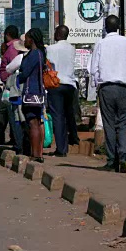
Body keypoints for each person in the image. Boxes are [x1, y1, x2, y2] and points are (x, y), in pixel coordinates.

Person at [89, 15, 126, 173]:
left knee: (109, 125)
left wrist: (95, 86)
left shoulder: (101, 43)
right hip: (125, 88)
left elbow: (93, 69)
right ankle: (124, 157)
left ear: (105, 27)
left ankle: (112, 160)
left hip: (107, 87)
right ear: (119, 26)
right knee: (122, 124)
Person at [46, 25, 78, 157]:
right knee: (67, 115)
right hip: (70, 85)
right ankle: (69, 142)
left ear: (58, 34)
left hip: (56, 84)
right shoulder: (72, 49)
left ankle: (61, 148)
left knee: (58, 117)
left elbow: (48, 65)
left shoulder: (51, 49)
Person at [18, 28, 46, 163]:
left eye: (27, 38)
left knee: (33, 123)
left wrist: (18, 76)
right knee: (37, 122)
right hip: (39, 92)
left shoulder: (33, 54)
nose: (25, 41)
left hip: (31, 91)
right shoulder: (41, 53)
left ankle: (35, 154)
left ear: (32, 39)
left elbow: (24, 73)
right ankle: (38, 153)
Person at [0, 25, 25, 154]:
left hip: (14, 87)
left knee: (15, 116)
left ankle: (18, 144)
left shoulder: (12, 50)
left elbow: (8, 69)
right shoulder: (37, 55)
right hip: (28, 89)